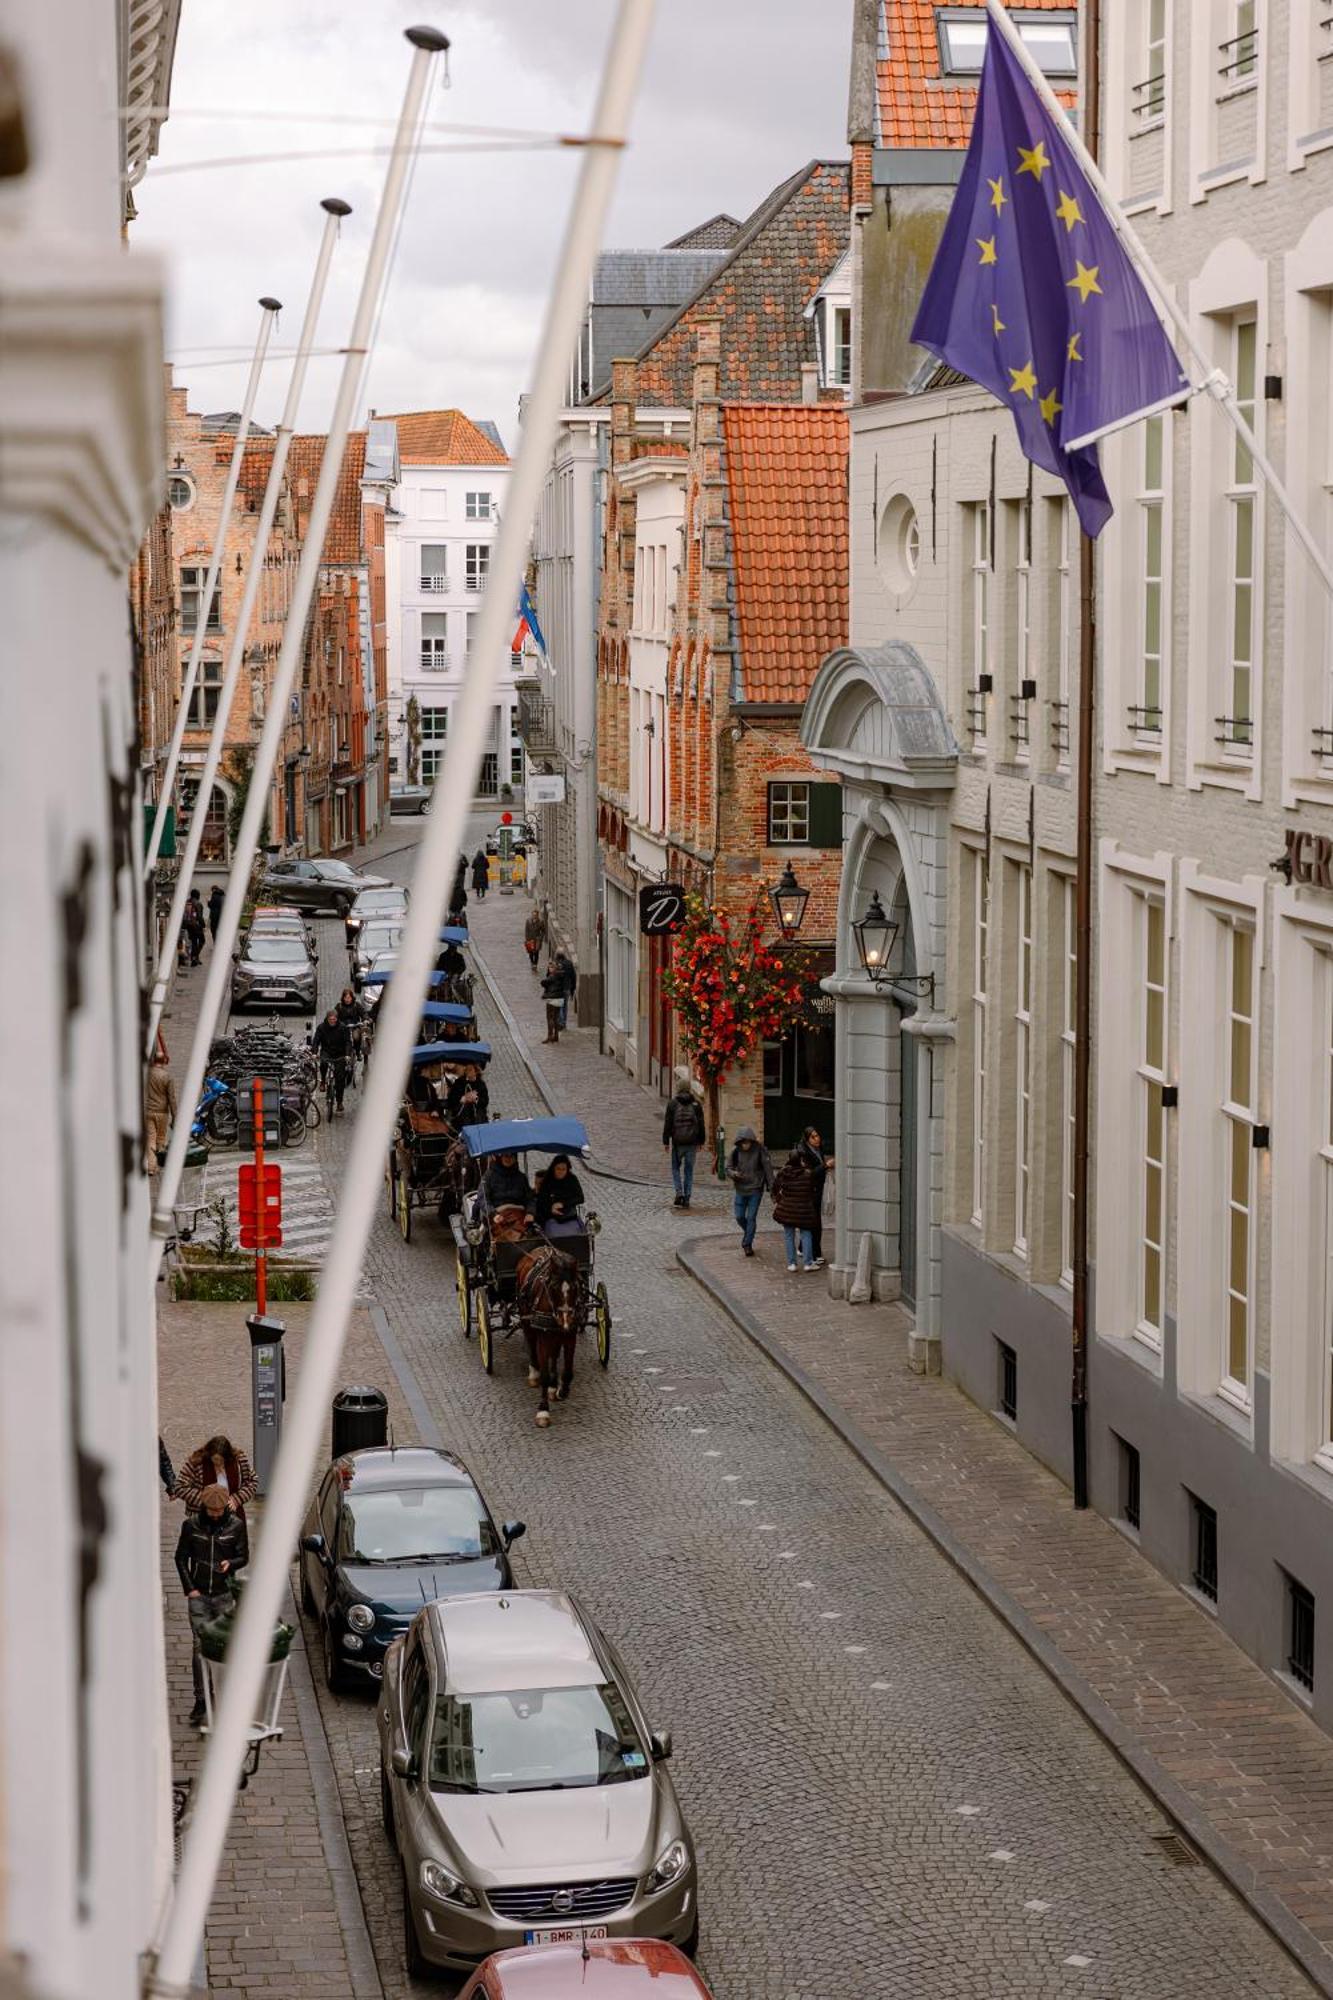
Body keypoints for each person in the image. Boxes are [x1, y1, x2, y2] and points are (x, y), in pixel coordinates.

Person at [175, 1484, 250, 1723]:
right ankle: (201, 1701)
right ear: (204, 1507)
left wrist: (231, 1564)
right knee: (200, 1648)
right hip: (200, 1596)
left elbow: (244, 1556)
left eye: (219, 1510)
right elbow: (180, 1557)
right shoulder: (191, 1526)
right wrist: (191, 1589)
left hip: (224, 1595)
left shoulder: (236, 1526)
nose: (216, 1514)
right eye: (212, 1510)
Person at [176, 1434, 257, 1516]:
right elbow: (179, 1486)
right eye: (215, 1459)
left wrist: (237, 1499)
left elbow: (252, 1481)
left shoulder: (239, 1461)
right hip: (201, 1517)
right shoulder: (196, 1462)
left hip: (232, 1517)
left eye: (222, 1460)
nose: (218, 1463)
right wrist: (208, 1500)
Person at [727, 1127, 773, 1258]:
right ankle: (750, 1232)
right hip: (740, 1189)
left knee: (751, 1217)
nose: (745, 1144)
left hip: (755, 1189)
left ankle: (747, 1244)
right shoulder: (735, 1152)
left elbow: (768, 1169)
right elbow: (728, 1168)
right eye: (743, 1142)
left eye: (747, 1142)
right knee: (739, 1216)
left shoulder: (760, 1150)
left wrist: (772, 1188)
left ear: (752, 1141)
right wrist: (734, 1174)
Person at [772, 1145, 820, 1272]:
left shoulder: (783, 1172)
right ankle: (808, 1263)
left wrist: (778, 1199)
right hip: (804, 1210)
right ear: (801, 1160)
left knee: (789, 1235)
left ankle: (791, 1263)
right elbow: (813, 1189)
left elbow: (775, 1188)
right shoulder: (807, 1174)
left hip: (787, 1210)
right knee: (806, 1233)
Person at [662, 1081, 706, 1210]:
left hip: (678, 1142)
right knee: (689, 1171)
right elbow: (701, 1124)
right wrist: (701, 1141)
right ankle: (687, 1198)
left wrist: (666, 1141)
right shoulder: (696, 1104)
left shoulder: (672, 1104)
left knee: (675, 1168)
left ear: (678, 1089)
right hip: (692, 1143)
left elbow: (668, 1124)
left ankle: (679, 1192)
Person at [798, 1125, 832, 1270]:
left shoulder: (818, 1149)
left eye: (817, 1135)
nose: (817, 1139)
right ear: (807, 1139)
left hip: (818, 1189)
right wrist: (825, 1166)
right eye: (813, 1136)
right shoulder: (804, 1153)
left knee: (813, 1221)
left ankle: (802, 1246)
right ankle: (815, 1253)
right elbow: (810, 1173)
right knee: (815, 1223)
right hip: (810, 1191)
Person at [532, 1152, 586, 1239]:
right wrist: (551, 1208)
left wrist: (563, 1204)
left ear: (567, 1169)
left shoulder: (572, 1179)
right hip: (552, 1219)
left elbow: (580, 1197)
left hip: (570, 1217)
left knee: (578, 1238)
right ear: (553, 1168)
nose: (560, 1172)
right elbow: (541, 1202)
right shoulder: (547, 1181)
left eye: (563, 1169)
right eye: (558, 1169)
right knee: (555, 1238)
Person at [144, 1048, 178, 1178]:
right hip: (163, 1112)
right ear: (163, 1062)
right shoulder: (167, 1077)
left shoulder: (147, 1074)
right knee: (160, 1139)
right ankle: (159, 1164)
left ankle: (151, 1167)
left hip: (149, 1111)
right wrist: (175, 1116)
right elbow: (172, 1098)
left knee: (150, 1139)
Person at [312, 1007, 353, 1112]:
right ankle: (323, 1081)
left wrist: (347, 1054)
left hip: (340, 1054)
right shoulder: (321, 1028)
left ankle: (339, 1102)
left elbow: (348, 1042)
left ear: (337, 1018)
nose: (332, 1021)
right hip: (327, 1052)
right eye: (330, 1019)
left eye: (334, 1019)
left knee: (340, 1080)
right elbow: (316, 1041)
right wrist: (314, 1052)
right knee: (323, 1063)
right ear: (327, 1018)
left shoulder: (343, 1028)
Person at [483, 1149, 531, 1213]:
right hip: (497, 1213)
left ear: (515, 1158)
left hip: (518, 1212)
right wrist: (492, 1213)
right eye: (506, 1155)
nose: (509, 1158)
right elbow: (483, 1199)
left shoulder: (521, 1177)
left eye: (511, 1156)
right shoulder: (489, 1176)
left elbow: (530, 1198)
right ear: (500, 1157)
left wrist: (530, 1213)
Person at [445, 1063, 489, 1128]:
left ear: (476, 1071)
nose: (468, 1072)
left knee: (479, 1115)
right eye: (466, 1070)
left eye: (470, 1070)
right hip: (463, 1114)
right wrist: (463, 1098)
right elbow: (452, 1100)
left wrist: (475, 1099)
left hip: (478, 1114)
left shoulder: (481, 1084)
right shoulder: (459, 1083)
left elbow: (485, 1101)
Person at [540, 959, 565, 1043]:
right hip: (560, 998)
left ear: (554, 968)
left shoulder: (553, 976)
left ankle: (550, 1035)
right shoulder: (561, 975)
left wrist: (548, 975)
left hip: (552, 999)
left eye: (551, 967)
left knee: (549, 1017)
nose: (549, 968)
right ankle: (556, 1035)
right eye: (549, 967)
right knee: (555, 1018)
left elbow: (543, 982)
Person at [555, 950, 577, 1030]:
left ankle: (561, 1022)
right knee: (565, 1006)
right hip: (567, 988)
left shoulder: (556, 964)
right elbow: (573, 976)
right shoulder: (569, 963)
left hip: (558, 988)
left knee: (559, 1005)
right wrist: (573, 989)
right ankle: (564, 1023)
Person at [184, 890, 206, 966]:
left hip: (188, 925)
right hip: (196, 925)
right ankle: (194, 957)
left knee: (194, 942)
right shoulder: (198, 903)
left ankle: (195, 958)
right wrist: (203, 925)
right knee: (202, 941)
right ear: (198, 895)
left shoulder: (187, 902)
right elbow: (199, 917)